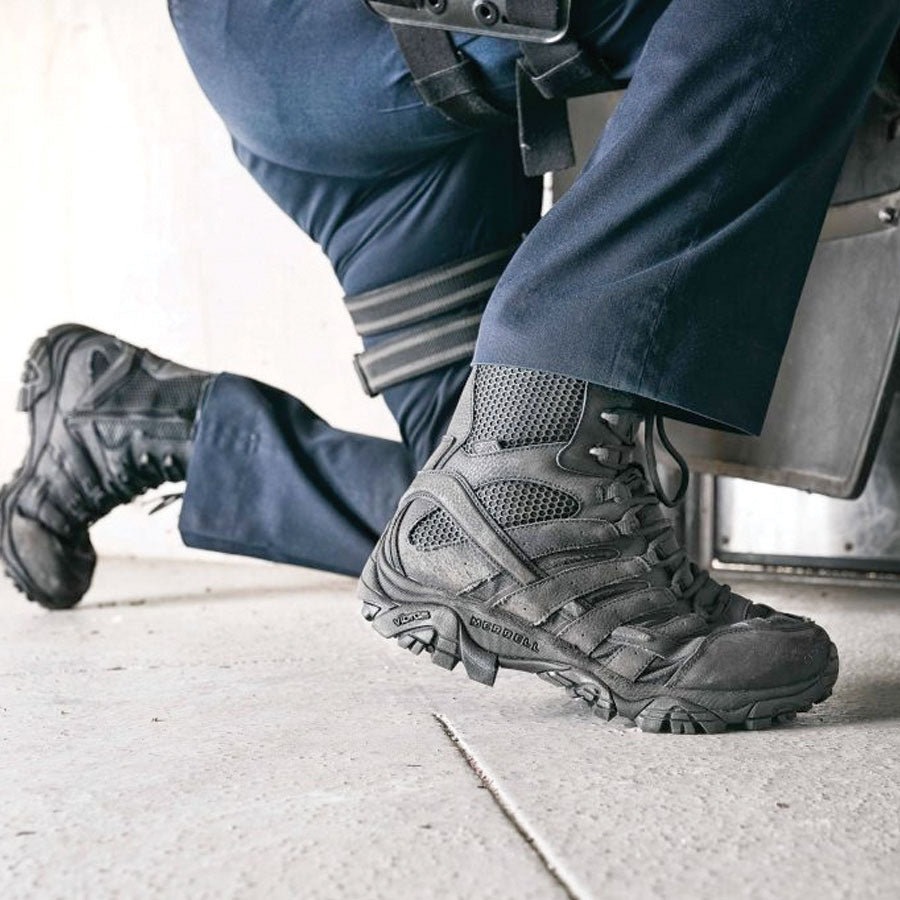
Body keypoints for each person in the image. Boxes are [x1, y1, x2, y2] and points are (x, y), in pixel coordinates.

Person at [3, 0, 898, 733]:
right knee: (525, 474)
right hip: (355, 34)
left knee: (478, 524)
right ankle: (530, 444)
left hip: (278, 61)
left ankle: (146, 423)